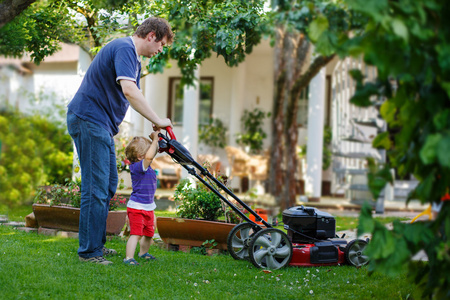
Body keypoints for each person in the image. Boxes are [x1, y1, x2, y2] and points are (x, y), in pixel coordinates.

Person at [66, 17, 174, 265]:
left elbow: (135, 95)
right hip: (89, 119)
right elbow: (129, 91)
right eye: (161, 45)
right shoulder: (125, 48)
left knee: (108, 184)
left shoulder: (133, 59)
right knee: (96, 188)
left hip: (98, 124)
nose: (160, 51)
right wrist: (157, 117)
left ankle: (96, 245)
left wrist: (153, 120)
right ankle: (89, 252)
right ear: (151, 36)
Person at [123, 131, 160, 265]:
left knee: (149, 233)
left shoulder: (145, 165)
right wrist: (154, 141)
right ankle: (128, 258)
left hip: (148, 206)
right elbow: (149, 157)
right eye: (148, 150)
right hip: (137, 207)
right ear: (140, 156)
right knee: (136, 233)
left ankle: (143, 253)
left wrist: (155, 140)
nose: (152, 152)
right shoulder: (138, 167)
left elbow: (152, 154)